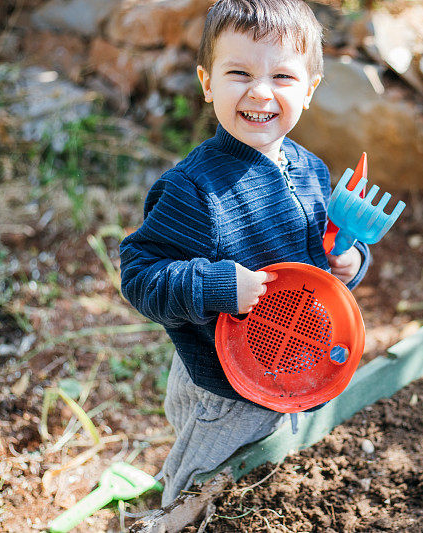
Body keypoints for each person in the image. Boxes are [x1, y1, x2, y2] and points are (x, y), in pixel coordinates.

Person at [119, 0, 370, 505]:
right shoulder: (195, 189)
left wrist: (350, 260)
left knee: (259, 470)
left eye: (282, 75)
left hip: (289, 360)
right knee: (200, 486)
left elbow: (324, 250)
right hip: (226, 386)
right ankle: (171, 515)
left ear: (310, 89)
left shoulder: (312, 171)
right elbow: (141, 273)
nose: (260, 91)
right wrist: (218, 286)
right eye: (239, 73)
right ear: (207, 83)